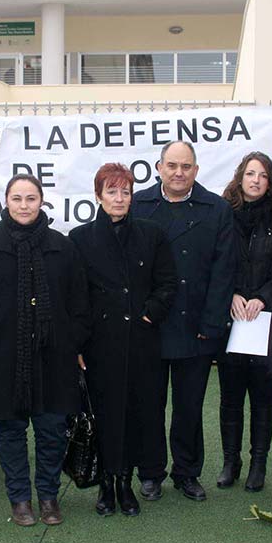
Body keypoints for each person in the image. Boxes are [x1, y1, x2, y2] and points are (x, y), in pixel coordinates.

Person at [0, 174, 89, 527]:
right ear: (5, 201)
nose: (23, 205)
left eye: (31, 198)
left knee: (51, 431)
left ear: (42, 201)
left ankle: (48, 496)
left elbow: (79, 303)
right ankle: (19, 498)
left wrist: (69, 343)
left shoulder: (62, 247)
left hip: (53, 359)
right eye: (17, 198)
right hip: (2, 360)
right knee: (10, 434)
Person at [131, 141, 236, 502]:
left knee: (190, 407)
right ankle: (150, 472)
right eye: (172, 165)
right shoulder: (139, 204)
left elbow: (224, 272)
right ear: (158, 167)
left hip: (198, 327)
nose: (179, 172)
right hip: (149, 326)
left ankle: (187, 472)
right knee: (149, 405)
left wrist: (213, 323)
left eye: (186, 166)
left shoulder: (217, 209)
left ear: (196, 169)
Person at [69, 163, 177, 517]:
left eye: (126, 191)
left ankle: (125, 483)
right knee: (104, 415)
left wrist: (150, 313)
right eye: (112, 191)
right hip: (100, 344)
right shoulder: (80, 239)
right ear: (98, 195)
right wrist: (79, 345)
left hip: (142, 342)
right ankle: (105, 484)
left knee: (138, 414)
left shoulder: (152, 234)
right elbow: (75, 296)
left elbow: (167, 283)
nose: (120, 198)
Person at [215, 152, 272, 493]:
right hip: (232, 319)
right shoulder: (222, 215)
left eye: (262, 175)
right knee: (229, 397)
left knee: (262, 397)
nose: (255, 180)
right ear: (240, 177)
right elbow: (214, 263)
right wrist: (230, 295)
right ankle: (232, 462)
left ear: (270, 181)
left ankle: (258, 464)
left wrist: (264, 297)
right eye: (250, 174)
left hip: (265, 322)